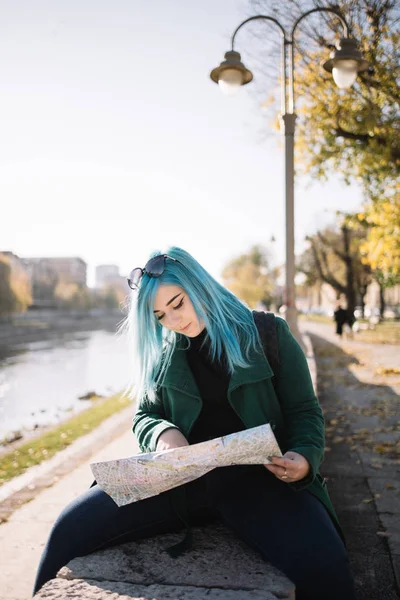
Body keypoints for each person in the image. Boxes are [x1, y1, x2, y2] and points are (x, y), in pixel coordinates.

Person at [33, 247, 357, 600]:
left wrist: (303, 457)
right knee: (68, 527)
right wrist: (164, 434)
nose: (173, 321)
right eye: (160, 315)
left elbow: (305, 411)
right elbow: (145, 415)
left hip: (261, 481)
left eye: (178, 304)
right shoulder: (164, 352)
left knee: (326, 564)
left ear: (200, 287)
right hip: (180, 483)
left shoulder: (268, 333)